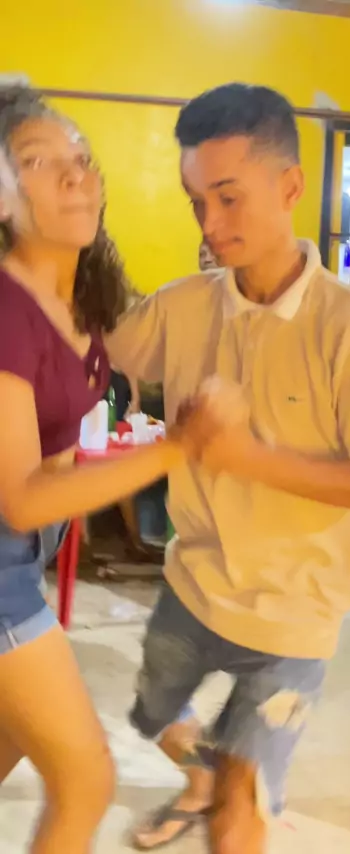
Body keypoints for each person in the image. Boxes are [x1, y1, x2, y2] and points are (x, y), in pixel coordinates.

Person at [107, 83, 350, 854]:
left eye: (229, 197)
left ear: (291, 187)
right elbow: (87, 352)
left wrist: (249, 457)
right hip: (193, 583)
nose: (210, 224)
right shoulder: (181, 306)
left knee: (240, 809)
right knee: (153, 712)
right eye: (196, 202)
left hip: (294, 615)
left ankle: (229, 787)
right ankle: (200, 778)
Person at [0, 87, 192, 854]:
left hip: (24, 558)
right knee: (86, 779)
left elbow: (53, 465)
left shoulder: (80, 301)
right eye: (36, 161)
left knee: (11, 743)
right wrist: (177, 448)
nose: (73, 173)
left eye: (79, 157)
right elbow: (23, 499)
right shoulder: (7, 311)